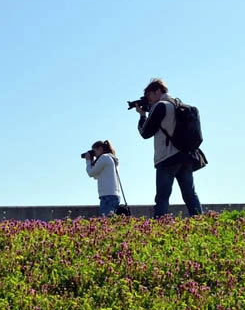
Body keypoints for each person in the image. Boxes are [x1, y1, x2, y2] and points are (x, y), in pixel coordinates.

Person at [135, 78, 203, 217]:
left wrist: (142, 116)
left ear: (158, 91)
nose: (148, 99)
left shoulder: (160, 106)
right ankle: (201, 223)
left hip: (167, 157)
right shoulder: (177, 103)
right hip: (185, 155)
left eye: (149, 95)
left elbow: (145, 132)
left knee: (162, 197)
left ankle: (160, 226)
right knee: (190, 194)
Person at [83, 140, 122, 216]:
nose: (94, 155)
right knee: (109, 224)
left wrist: (88, 161)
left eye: (94, 151)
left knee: (104, 224)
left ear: (100, 148)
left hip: (107, 197)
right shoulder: (111, 159)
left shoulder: (104, 158)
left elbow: (91, 173)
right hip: (113, 196)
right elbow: (96, 176)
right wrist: (92, 162)